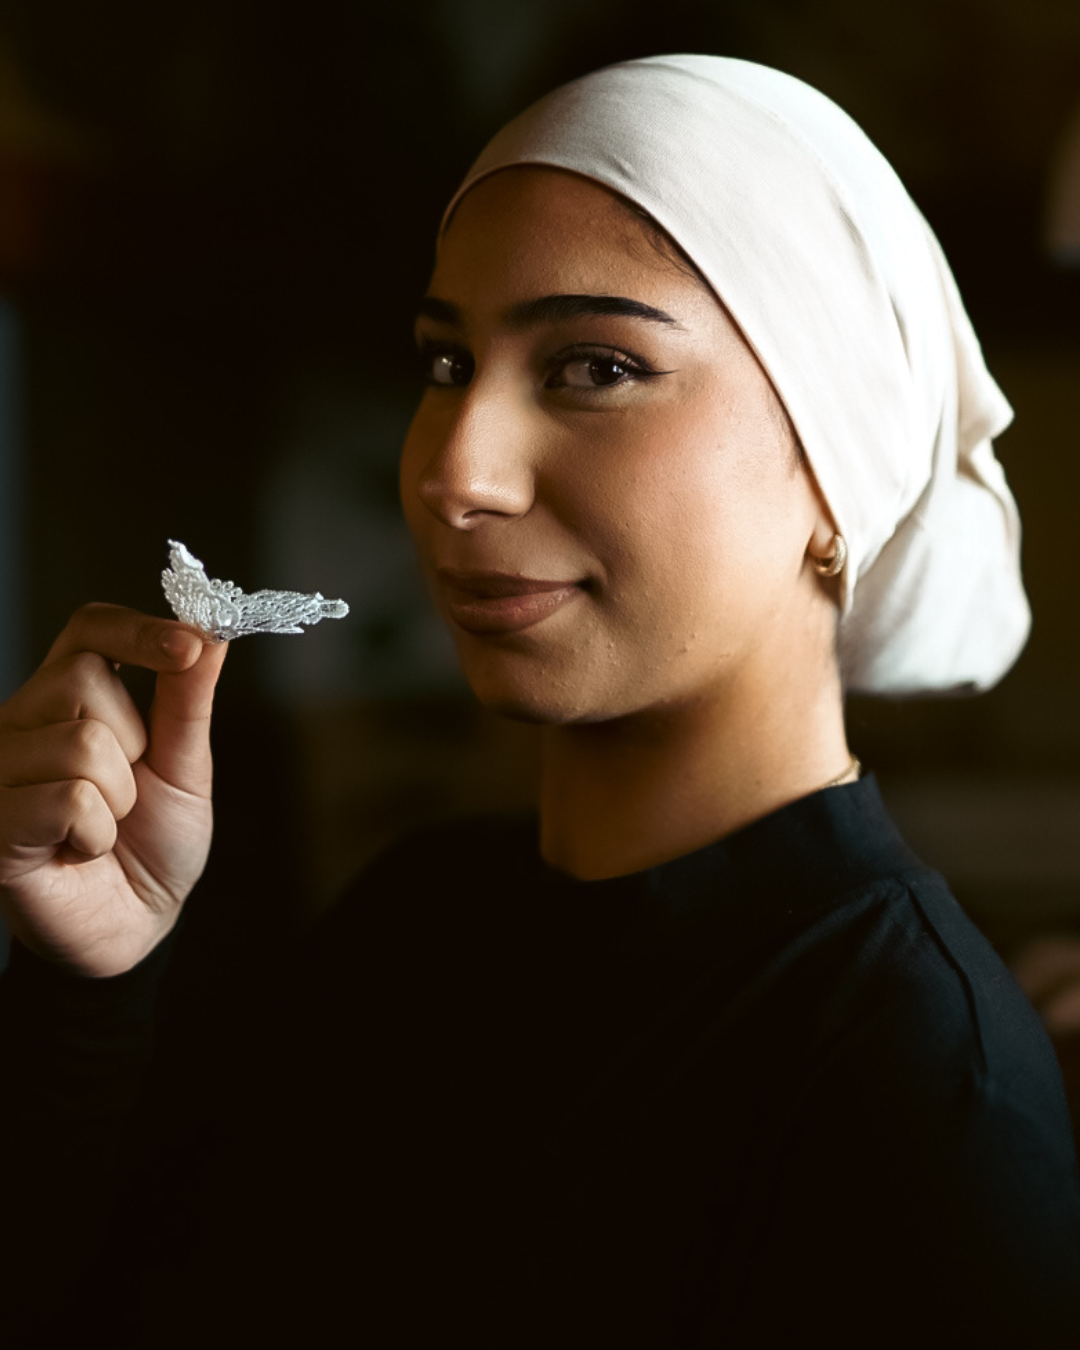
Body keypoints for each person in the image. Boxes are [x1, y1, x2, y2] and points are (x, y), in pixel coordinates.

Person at [2, 55, 1078, 1347]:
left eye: (597, 367)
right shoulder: (411, 927)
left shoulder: (918, 1081)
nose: (457, 470)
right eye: (448, 362)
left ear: (836, 473)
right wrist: (91, 975)